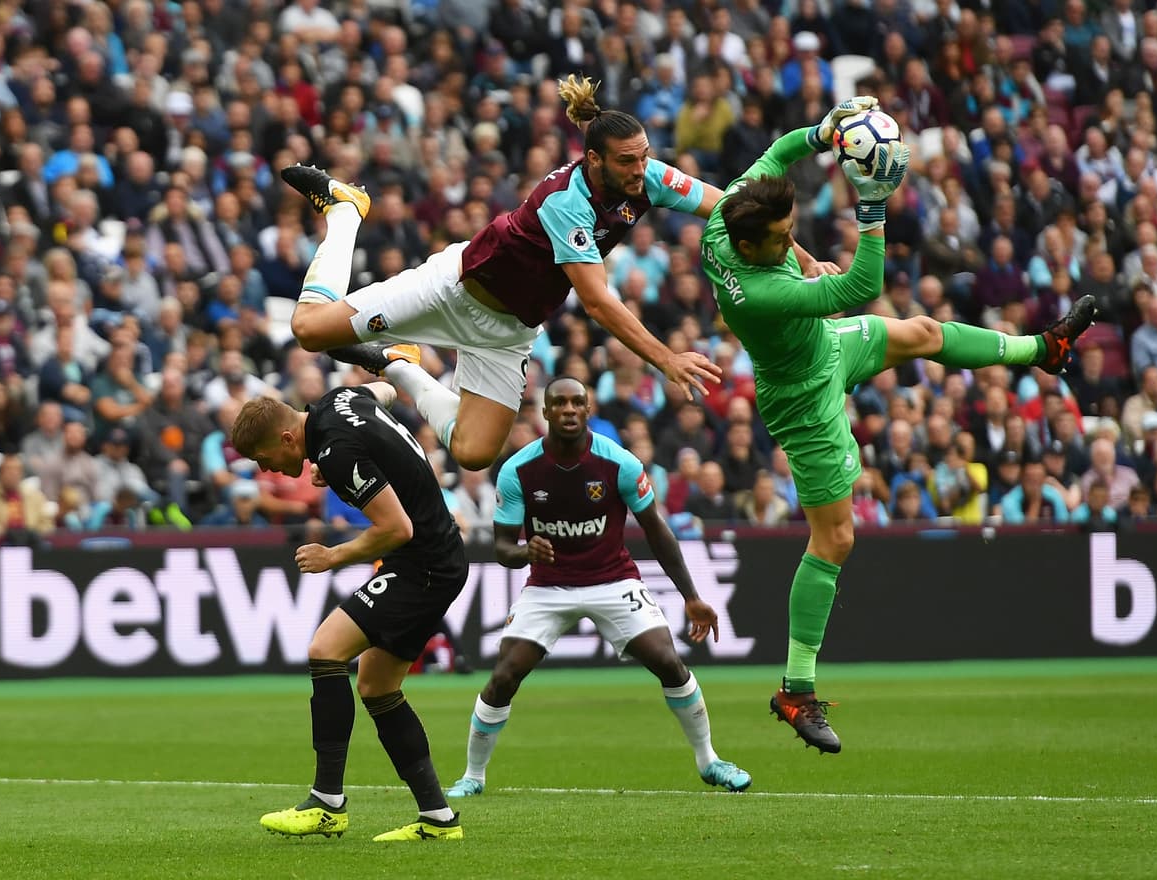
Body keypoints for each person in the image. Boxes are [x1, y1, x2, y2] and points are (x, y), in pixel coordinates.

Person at [699, 96, 1099, 754]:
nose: (792, 242)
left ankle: (1043, 350)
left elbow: (776, 155)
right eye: (782, 239)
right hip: (802, 393)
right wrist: (873, 202)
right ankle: (795, 690)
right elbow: (861, 284)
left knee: (923, 331)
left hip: (824, 346)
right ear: (748, 246)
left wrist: (823, 132)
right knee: (835, 538)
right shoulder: (761, 292)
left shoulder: (730, 216)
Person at [278, 75, 763, 471]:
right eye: (627, 161)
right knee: (308, 330)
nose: (641, 169)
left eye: (644, 156)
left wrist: (800, 258)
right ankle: (345, 210)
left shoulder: (647, 176)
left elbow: (728, 208)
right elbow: (596, 302)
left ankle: (399, 363)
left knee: (472, 452)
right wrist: (665, 359)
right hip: (452, 291)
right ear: (593, 160)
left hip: (508, 333)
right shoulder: (566, 202)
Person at [442, 377, 750, 798]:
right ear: (545, 413)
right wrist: (526, 552)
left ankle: (709, 760)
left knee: (667, 660)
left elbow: (657, 531)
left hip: (612, 579)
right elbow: (500, 548)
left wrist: (691, 597)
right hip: (548, 586)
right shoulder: (518, 470)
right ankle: (473, 776)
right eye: (559, 403)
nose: (569, 410)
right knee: (504, 675)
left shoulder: (620, 464)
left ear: (589, 411)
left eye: (577, 403)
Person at [230, 383, 468, 843]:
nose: (266, 470)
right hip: (434, 559)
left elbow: (397, 527)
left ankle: (327, 803)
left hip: (424, 566)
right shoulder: (338, 401)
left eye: (263, 458)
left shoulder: (336, 448)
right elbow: (385, 391)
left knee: (325, 649)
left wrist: (332, 557)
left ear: (285, 439)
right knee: (378, 687)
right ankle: (438, 818)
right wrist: (349, 463)